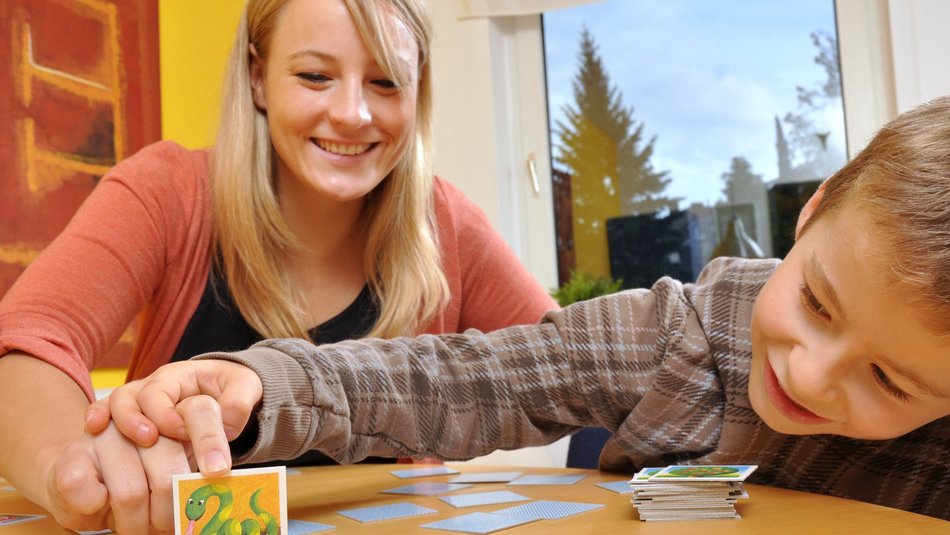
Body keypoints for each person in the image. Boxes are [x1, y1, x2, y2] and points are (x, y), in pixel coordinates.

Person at [90, 95, 950, 522]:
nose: (812, 373)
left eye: (890, 379)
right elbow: (465, 379)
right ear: (814, 208)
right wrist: (263, 384)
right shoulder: (681, 334)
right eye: (817, 303)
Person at [0, 0, 556, 532]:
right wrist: (65, 466)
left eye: (386, 82)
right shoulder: (167, 194)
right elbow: (27, 342)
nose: (352, 113)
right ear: (258, 77)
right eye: (315, 76)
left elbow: (566, 369)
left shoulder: (447, 224)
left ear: (419, 90)